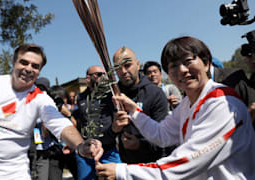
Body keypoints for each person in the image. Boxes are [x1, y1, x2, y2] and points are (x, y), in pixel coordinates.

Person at [96, 36, 255, 180]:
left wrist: (121, 171)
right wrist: (133, 109)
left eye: (188, 61)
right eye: (173, 66)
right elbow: (161, 134)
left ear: (206, 63)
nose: (182, 71)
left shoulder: (222, 103)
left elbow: (183, 165)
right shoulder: (187, 103)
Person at [0, 44, 103, 179]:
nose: (29, 68)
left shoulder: (39, 98)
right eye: (24, 62)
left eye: (35, 66)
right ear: (13, 63)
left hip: (15, 174)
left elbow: (61, 125)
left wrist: (81, 146)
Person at [111, 47, 170, 164]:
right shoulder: (112, 96)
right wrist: (114, 128)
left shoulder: (155, 93)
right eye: (118, 68)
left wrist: (140, 144)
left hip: (155, 164)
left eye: (127, 65)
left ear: (138, 65)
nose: (123, 71)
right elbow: (104, 136)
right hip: (128, 165)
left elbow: (165, 137)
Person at [73, 65, 121, 180]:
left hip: (109, 149)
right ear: (88, 78)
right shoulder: (81, 98)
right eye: (99, 74)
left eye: (104, 74)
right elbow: (79, 120)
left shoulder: (111, 95)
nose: (103, 77)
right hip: (87, 152)